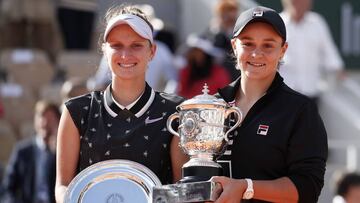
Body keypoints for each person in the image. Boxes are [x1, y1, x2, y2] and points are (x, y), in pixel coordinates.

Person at [55, 4, 188, 203]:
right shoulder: (76, 111)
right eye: (116, 45)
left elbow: (182, 186)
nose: (125, 55)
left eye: (136, 45)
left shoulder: (176, 112)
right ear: (104, 51)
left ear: (152, 51)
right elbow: (63, 185)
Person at [211, 6, 328, 203]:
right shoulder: (211, 106)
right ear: (234, 46)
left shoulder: (300, 111)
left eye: (268, 45)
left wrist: (245, 188)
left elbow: (308, 188)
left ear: (283, 50)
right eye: (248, 43)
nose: (256, 54)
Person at [279, 0, 345, 104]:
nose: (298, 4)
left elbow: (328, 50)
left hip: (310, 91)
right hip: (283, 93)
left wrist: (337, 68)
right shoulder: (278, 23)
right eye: (294, 1)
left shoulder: (317, 22)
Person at [2, 100, 61, 203]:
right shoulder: (22, 151)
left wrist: (56, 151)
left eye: (50, 119)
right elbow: (7, 189)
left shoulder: (62, 153)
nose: (45, 123)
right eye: (41, 118)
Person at [177, 34, 231, 98]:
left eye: (198, 51)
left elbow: (225, 95)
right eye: (193, 51)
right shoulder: (186, 71)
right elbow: (181, 93)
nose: (194, 55)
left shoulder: (219, 72)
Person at [202, 0, 240, 81]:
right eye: (224, 13)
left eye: (231, 11)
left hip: (234, 70)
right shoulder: (214, 29)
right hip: (216, 72)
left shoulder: (239, 29)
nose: (228, 16)